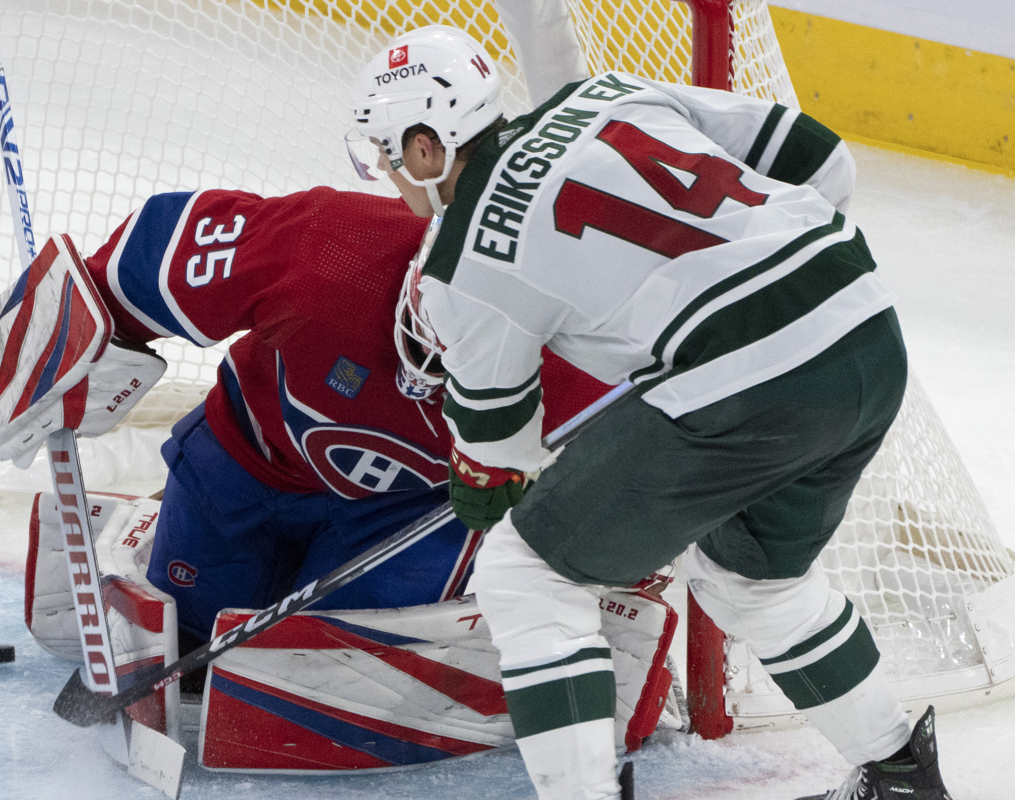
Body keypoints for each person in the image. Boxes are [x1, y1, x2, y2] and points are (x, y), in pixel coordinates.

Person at [346, 24, 954, 800]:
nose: (389, 178)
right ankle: (903, 776)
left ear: (427, 147)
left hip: (752, 380)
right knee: (752, 583)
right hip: (865, 326)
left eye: (389, 156)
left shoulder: (461, 262)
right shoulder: (608, 94)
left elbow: (499, 453)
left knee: (525, 573)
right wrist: (761, 270)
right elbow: (821, 157)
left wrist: (483, 485)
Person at [77, 186, 612, 654]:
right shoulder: (330, 246)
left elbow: (657, 450)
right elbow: (155, 254)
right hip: (247, 463)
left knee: (333, 656)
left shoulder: (586, 361)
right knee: (187, 632)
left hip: (404, 514)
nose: (421, 377)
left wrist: (629, 549)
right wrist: (76, 328)